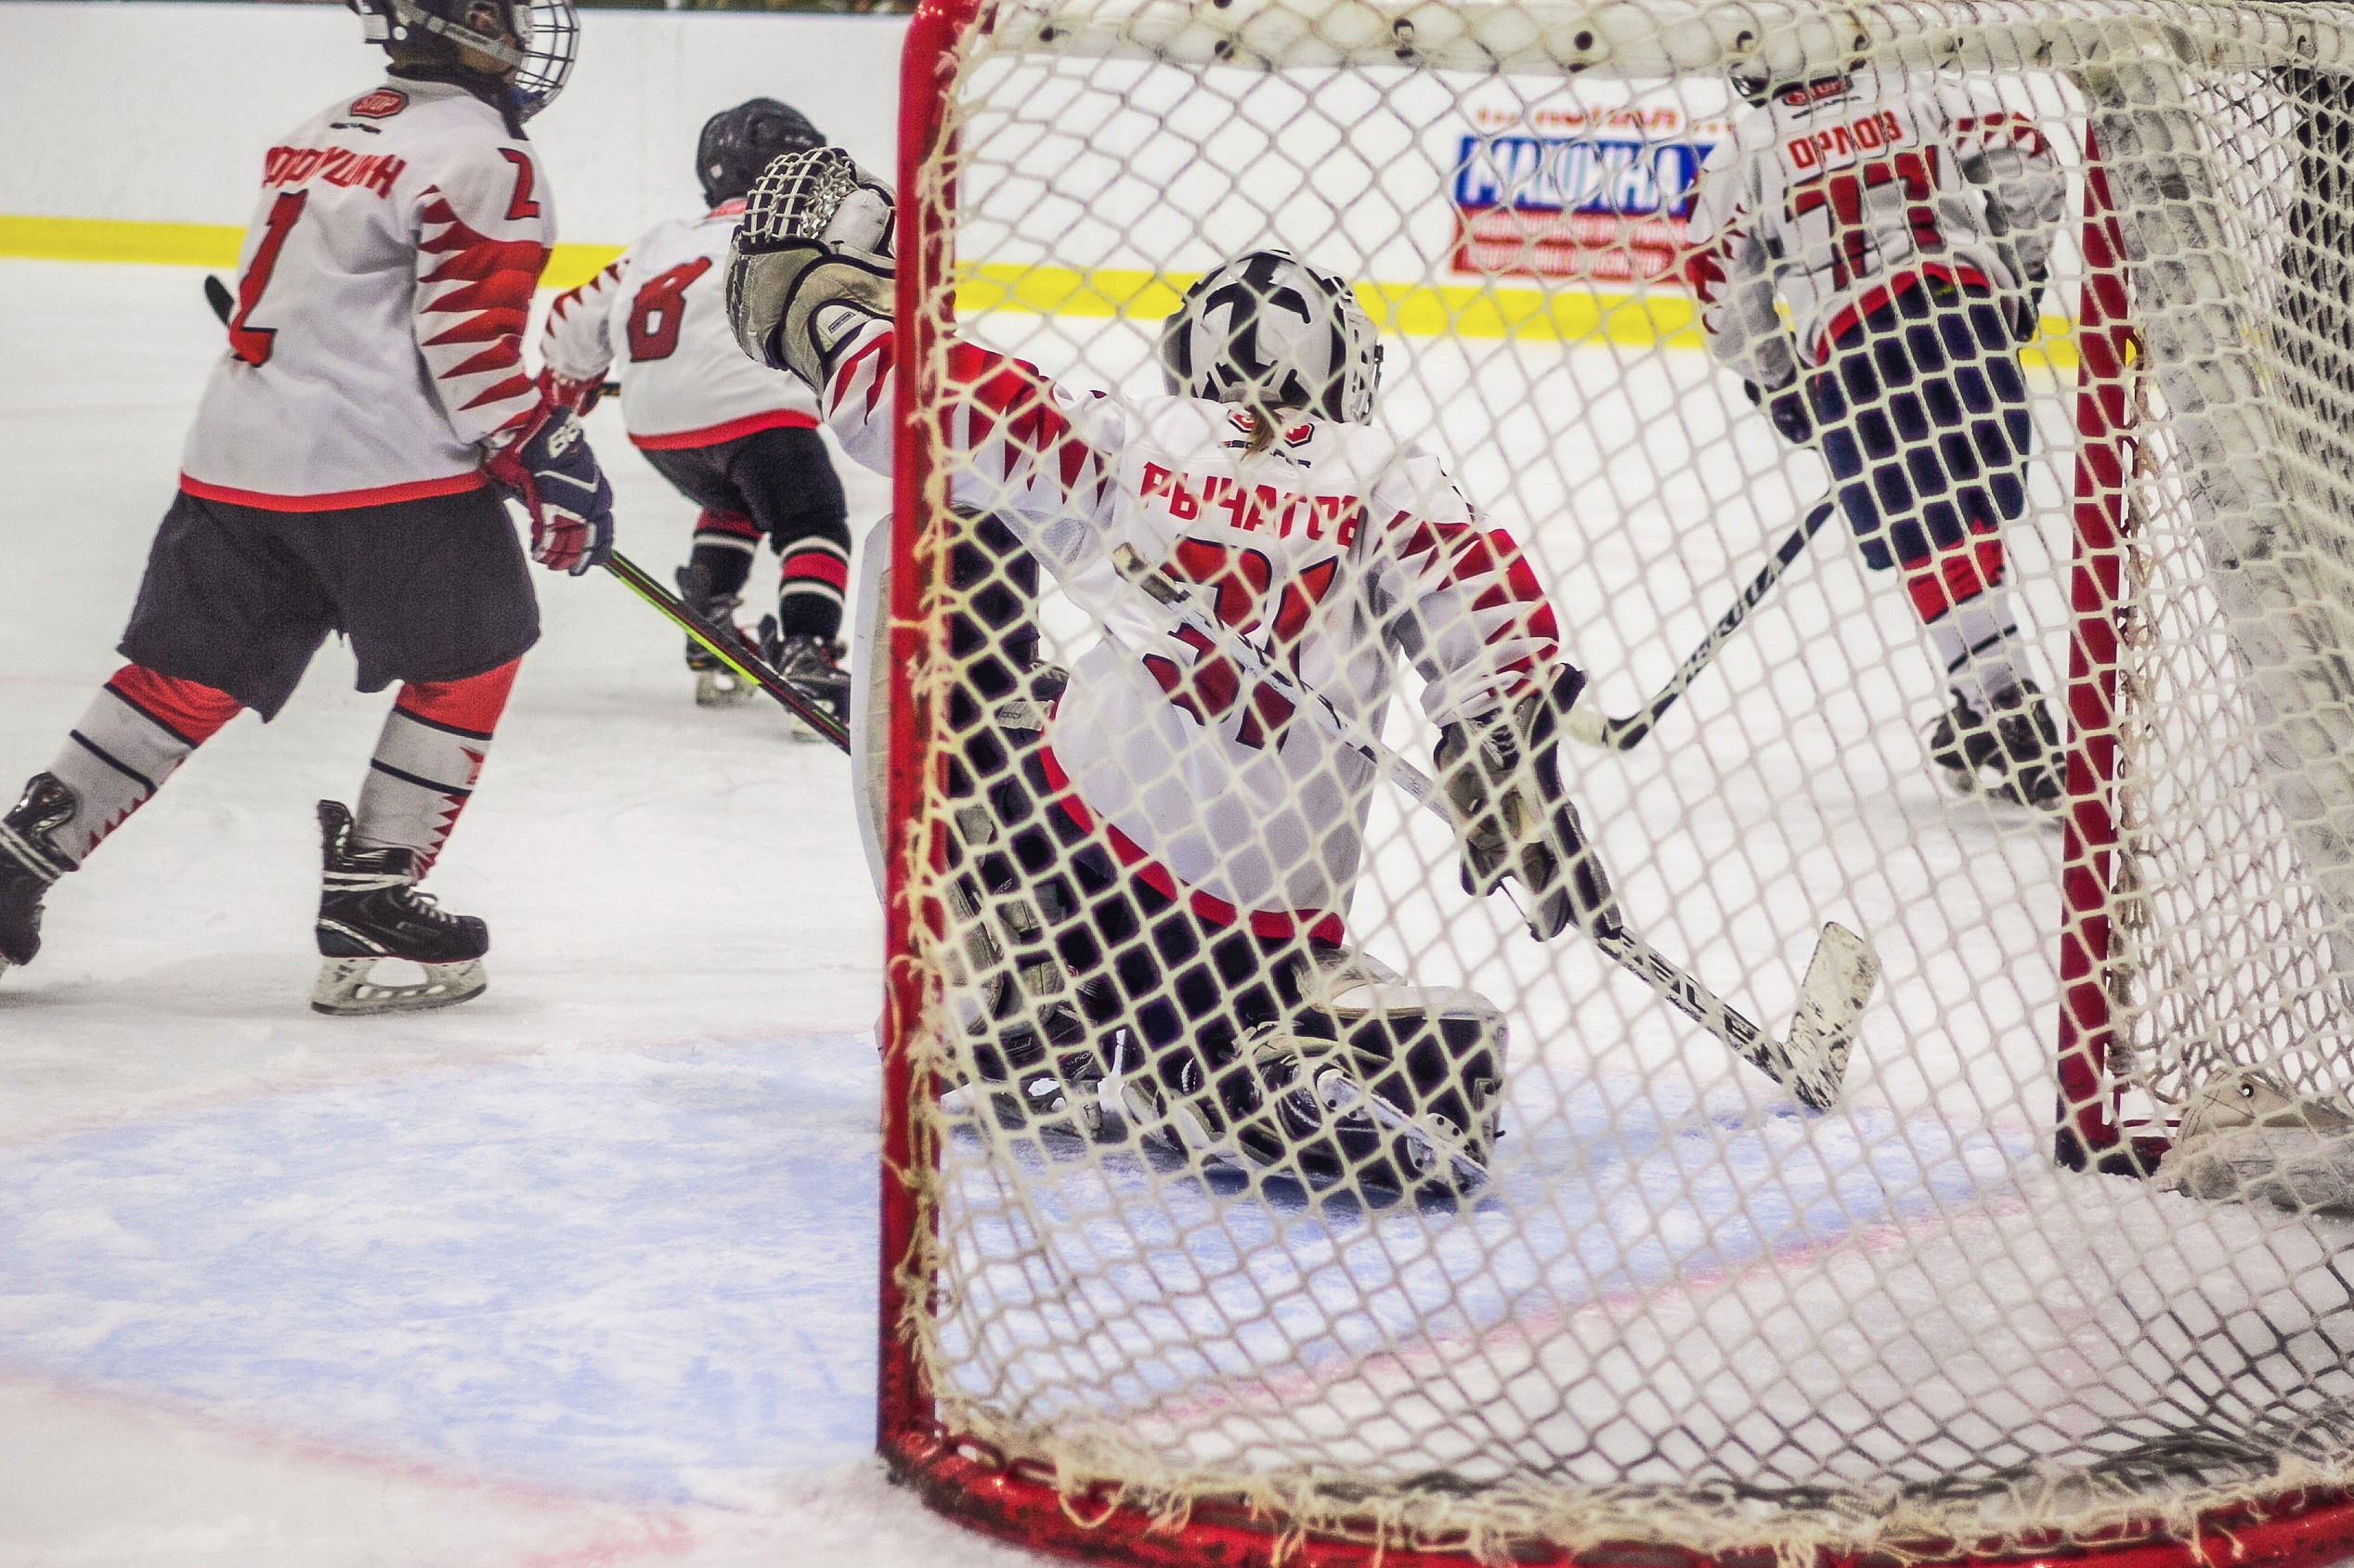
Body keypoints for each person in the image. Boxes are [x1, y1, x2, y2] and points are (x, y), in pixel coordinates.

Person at [723, 150, 1608, 1198]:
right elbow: (1489, 607)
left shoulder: (1134, 431)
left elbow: (918, 402)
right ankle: (1238, 1046)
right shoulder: (1391, 476)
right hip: (1274, 909)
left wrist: (825, 318)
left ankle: (1002, 974)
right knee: (1312, 975)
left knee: (945, 537)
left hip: (1091, 860)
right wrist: (1503, 754)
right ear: (1349, 370)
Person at [0, 0, 613, 1015]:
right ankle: (373, 888)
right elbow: (467, 344)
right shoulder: (486, 156)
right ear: (468, 27)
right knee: (477, 651)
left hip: (236, 453)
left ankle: (20, 856)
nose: (521, 30)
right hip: (378, 472)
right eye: (501, 12)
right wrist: (539, 445)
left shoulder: (323, 126)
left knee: (184, 672)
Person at [1684, 60, 2070, 809]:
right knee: (1964, 506)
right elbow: (2030, 161)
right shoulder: (1921, 87)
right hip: (1966, 313)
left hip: (1857, 344)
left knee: (1925, 526)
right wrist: (2015, 282)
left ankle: (2004, 696)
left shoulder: (1748, 147)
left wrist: (1773, 376)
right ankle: (1979, 697)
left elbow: (1716, 279)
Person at [537, 98, 852, 736]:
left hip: (658, 426)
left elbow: (572, 317)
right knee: (811, 519)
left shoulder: (661, 242)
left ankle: (708, 622)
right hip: (755, 409)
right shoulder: (799, 236)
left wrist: (573, 386)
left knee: (737, 502)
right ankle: (807, 649)